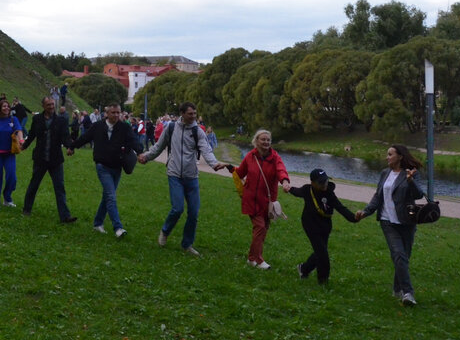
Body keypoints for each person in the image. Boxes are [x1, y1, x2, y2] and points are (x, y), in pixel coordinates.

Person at [138, 101, 227, 255]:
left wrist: (214, 164)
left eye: (195, 113)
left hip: (191, 176)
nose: (193, 116)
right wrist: (147, 157)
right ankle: (165, 231)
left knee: (193, 213)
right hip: (174, 174)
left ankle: (187, 244)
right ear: (182, 114)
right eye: (190, 114)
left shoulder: (198, 131)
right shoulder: (171, 128)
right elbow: (159, 146)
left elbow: (206, 149)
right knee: (177, 208)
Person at [355, 145, 426, 306]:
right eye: (387, 154)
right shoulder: (384, 174)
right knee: (399, 255)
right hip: (388, 222)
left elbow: (418, 194)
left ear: (400, 157)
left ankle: (396, 288)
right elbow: (377, 196)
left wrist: (410, 181)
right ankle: (408, 293)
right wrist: (366, 212)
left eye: (390, 154)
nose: (387, 157)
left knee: (403, 257)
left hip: (407, 222)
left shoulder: (411, 173)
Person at [71, 103, 143, 238]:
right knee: (111, 196)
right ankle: (118, 228)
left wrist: (140, 152)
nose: (116, 115)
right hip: (102, 166)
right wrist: (72, 146)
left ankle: (98, 223)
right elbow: (85, 137)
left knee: (107, 196)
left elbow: (133, 141)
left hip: (117, 167)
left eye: (118, 113)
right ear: (107, 114)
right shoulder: (98, 126)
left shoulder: (124, 127)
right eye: (113, 112)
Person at [286, 168, 357, 284]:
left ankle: (303, 268)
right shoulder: (307, 190)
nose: (324, 184)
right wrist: (289, 189)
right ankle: (323, 281)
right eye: (320, 182)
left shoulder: (329, 193)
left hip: (325, 225)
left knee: (320, 251)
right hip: (310, 224)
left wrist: (354, 218)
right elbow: (297, 191)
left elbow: (340, 208)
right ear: (312, 183)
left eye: (325, 181)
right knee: (322, 253)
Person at [234, 129, 290, 269]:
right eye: (263, 139)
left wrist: (284, 181)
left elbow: (281, 169)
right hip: (251, 199)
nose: (266, 142)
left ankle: (251, 258)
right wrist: (229, 167)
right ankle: (258, 260)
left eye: (268, 140)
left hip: (267, 201)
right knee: (259, 227)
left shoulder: (275, 157)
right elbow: (240, 172)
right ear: (256, 141)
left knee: (263, 229)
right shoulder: (250, 156)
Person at [19, 97, 78, 223]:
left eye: (52, 104)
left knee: (59, 187)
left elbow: (65, 137)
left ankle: (65, 216)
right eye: (48, 105)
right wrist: (24, 146)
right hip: (40, 158)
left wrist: (70, 147)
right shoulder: (37, 119)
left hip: (55, 160)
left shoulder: (61, 121)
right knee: (34, 184)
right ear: (43, 106)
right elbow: (32, 135)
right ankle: (26, 209)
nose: (51, 107)